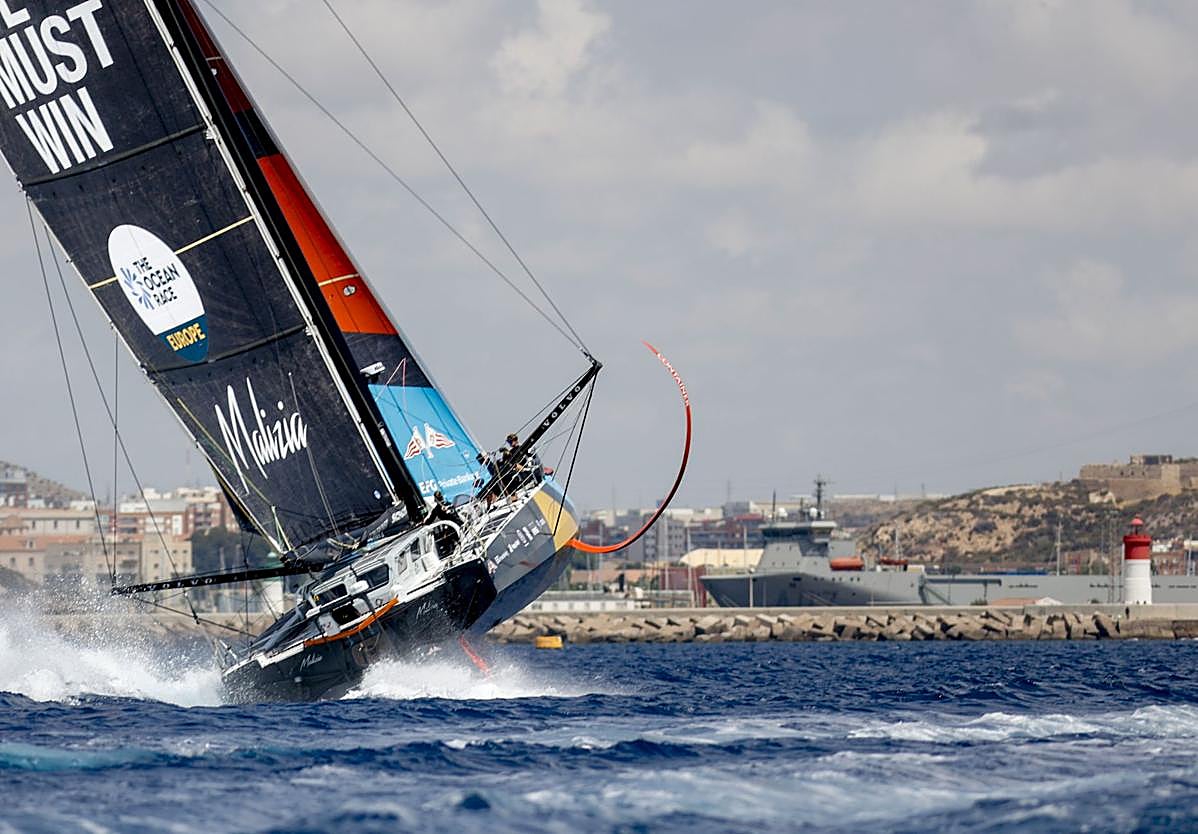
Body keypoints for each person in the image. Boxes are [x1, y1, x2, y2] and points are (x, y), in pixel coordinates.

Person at [426, 490, 462, 557]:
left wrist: (425, 523)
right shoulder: (448, 504)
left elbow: (431, 519)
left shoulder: (438, 509)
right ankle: (456, 547)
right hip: (457, 523)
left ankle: (451, 552)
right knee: (453, 537)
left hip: (451, 526)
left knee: (446, 538)